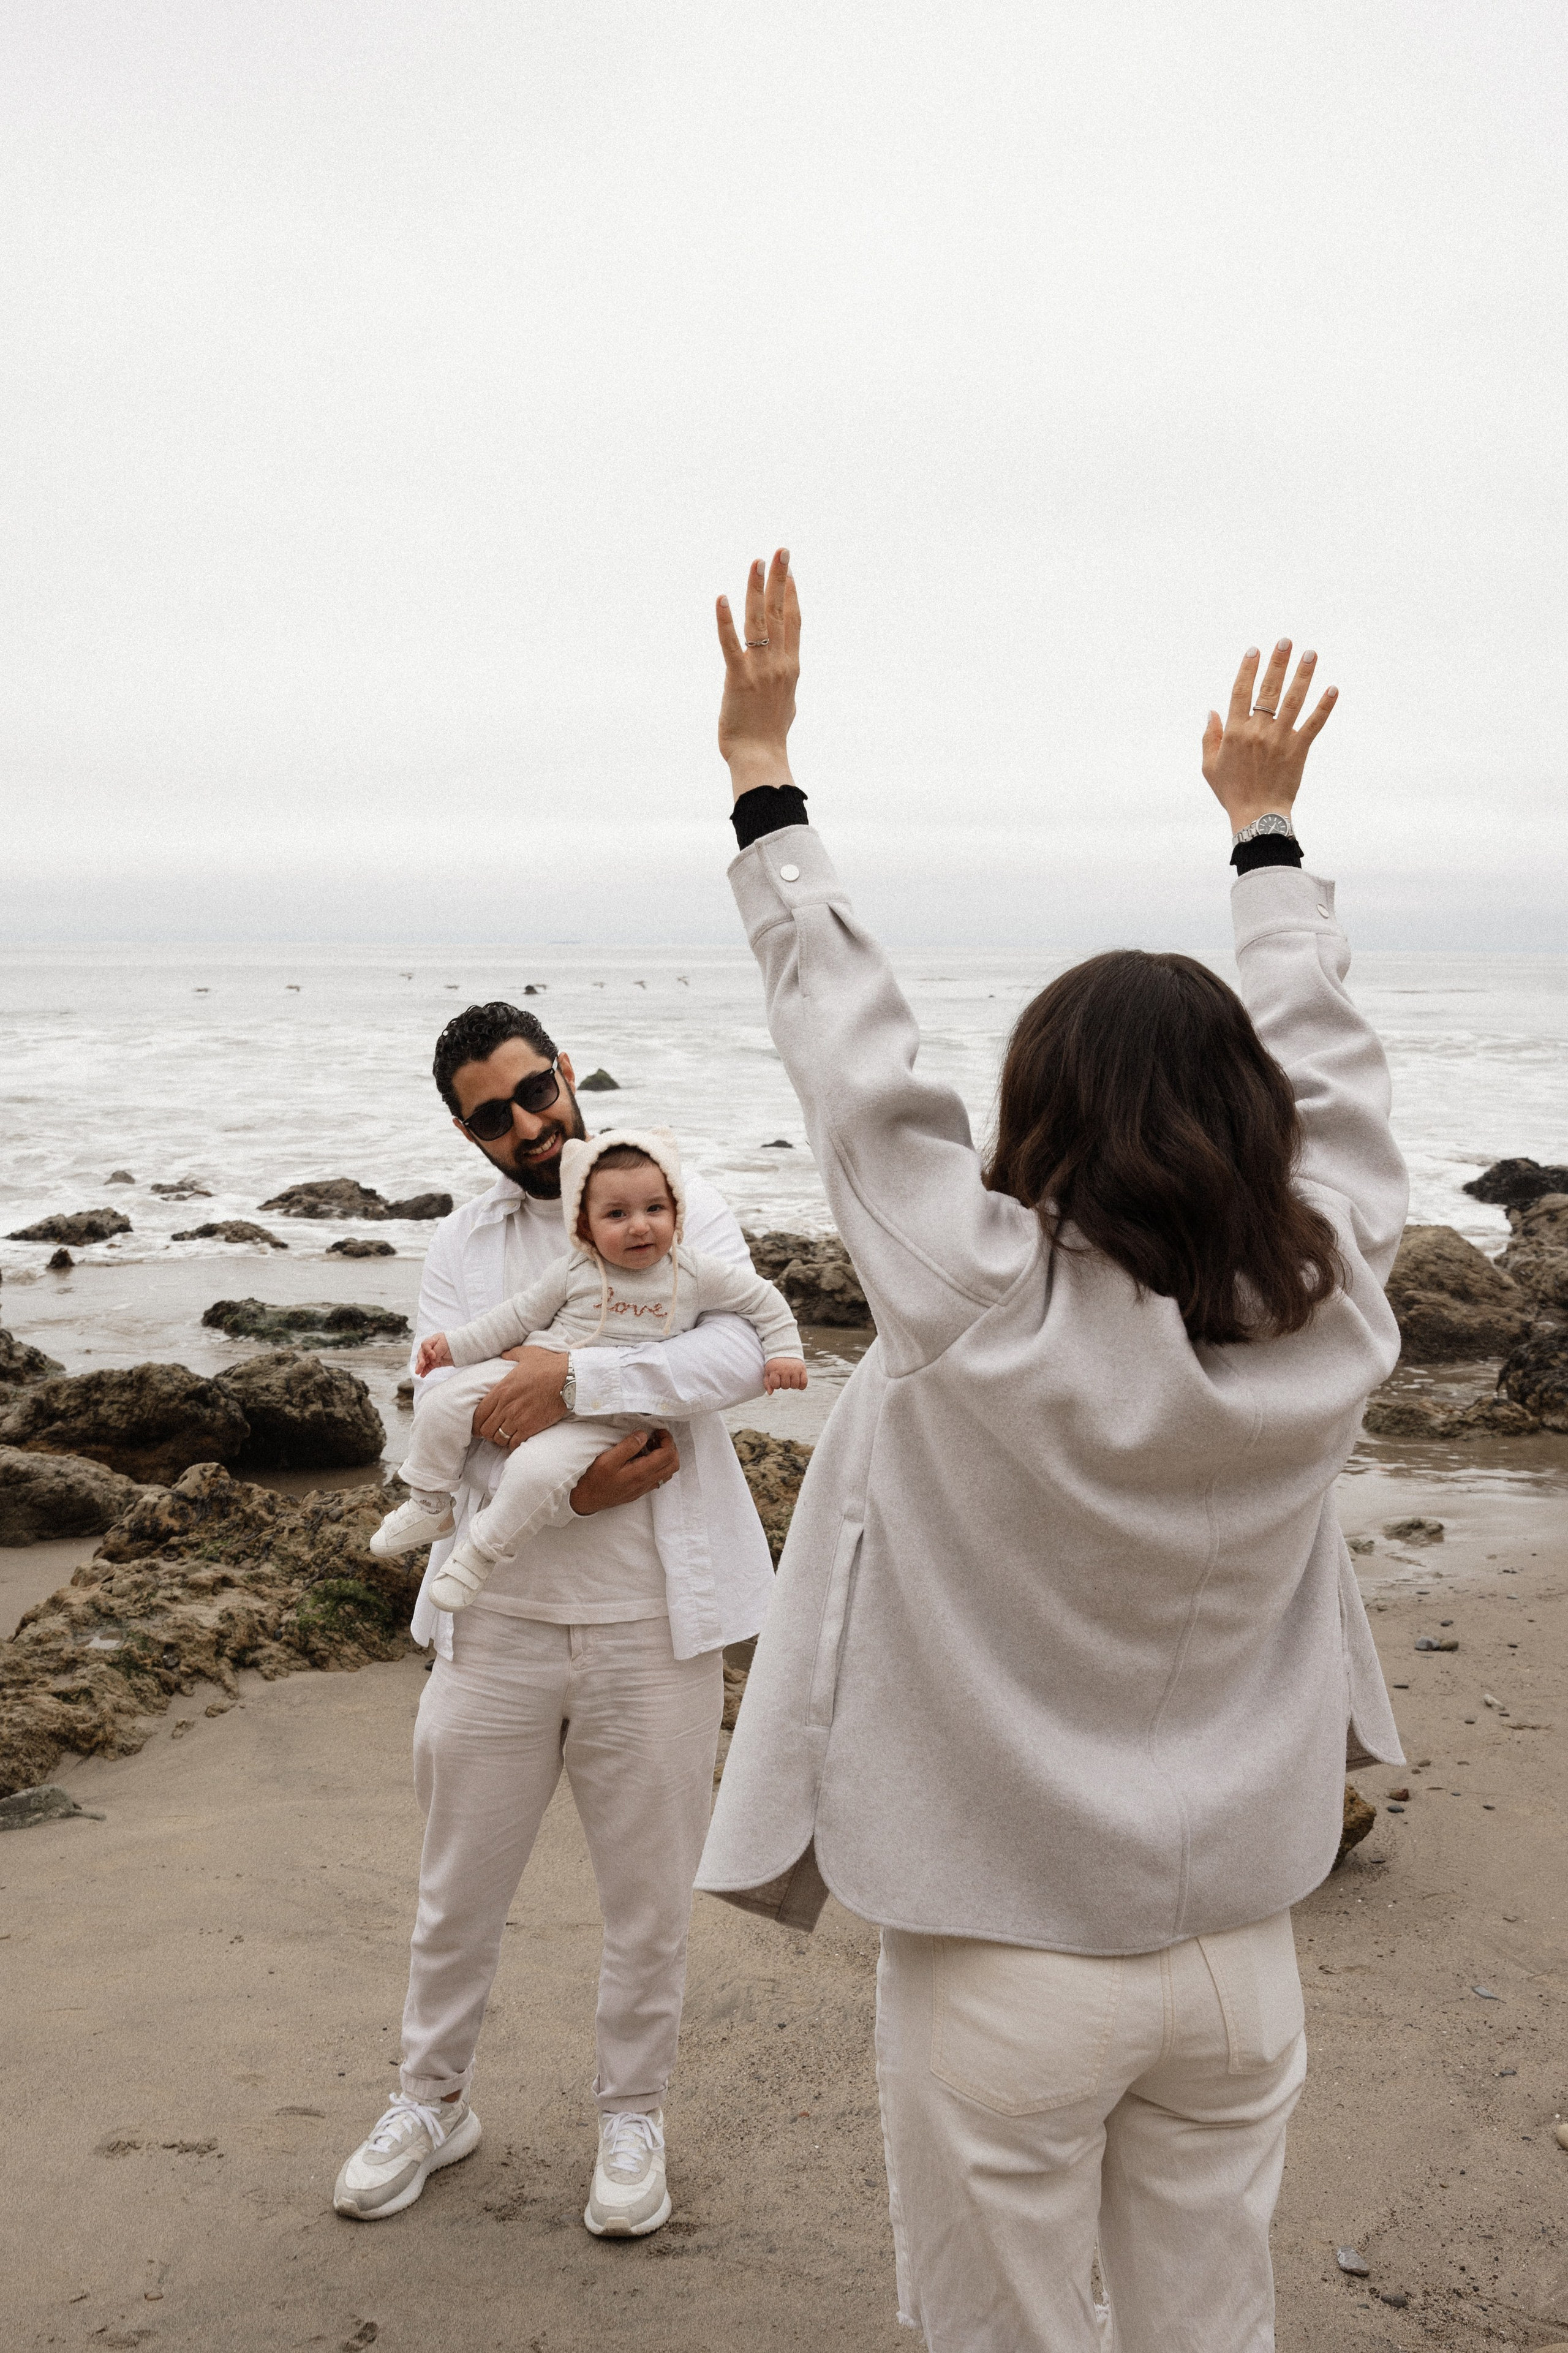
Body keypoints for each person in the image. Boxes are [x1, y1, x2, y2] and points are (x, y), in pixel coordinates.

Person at [696, 552, 1408, 2351]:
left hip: (1000, 1952)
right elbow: (1337, 1088)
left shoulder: (978, 1304)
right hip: (1234, 1952)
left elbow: (858, 1072)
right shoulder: (1330, 1310)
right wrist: (1263, 839)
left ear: (1035, 1110)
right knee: (1213, 2326)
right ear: (1252, 1124)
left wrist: (766, 783)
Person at [333, 1007, 777, 2238]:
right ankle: (430, 2103)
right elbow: (443, 1400)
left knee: (648, 1904)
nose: (529, 1126)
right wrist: (568, 1476)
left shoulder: (670, 1196)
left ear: (567, 1073)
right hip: (498, 1624)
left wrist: (571, 1379)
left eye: (537, 1092)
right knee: (454, 1896)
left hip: (655, 1625)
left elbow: (739, 1356)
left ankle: (632, 2118)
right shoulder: (464, 1243)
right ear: (464, 1130)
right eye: (494, 1115)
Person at [372, 1126, 805, 1610]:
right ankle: (429, 1501)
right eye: (617, 1214)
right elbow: (514, 1318)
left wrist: (784, 1351)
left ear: (676, 1212)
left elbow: (762, 1300)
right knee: (442, 1403)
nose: (639, 1226)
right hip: (528, 1367)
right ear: (585, 1225)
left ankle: (480, 1553)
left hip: (612, 1420)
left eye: (655, 1209)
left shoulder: (693, 1272)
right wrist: (453, 1347)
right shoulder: (574, 1270)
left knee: (534, 1471)